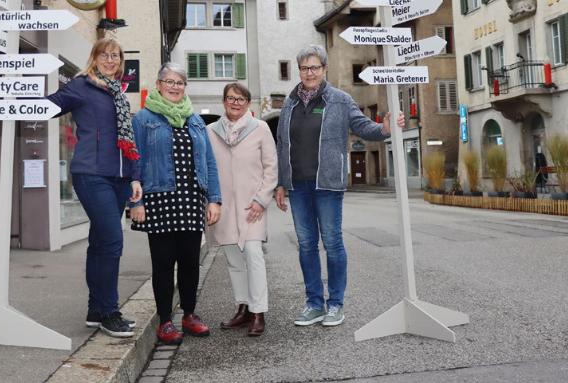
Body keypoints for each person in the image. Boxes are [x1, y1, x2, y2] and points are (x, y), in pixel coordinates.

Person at [275, 45, 405, 328]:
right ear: (299, 71)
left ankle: (335, 304)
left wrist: (384, 129)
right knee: (307, 244)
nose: (309, 73)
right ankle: (313, 304)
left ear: (324, 70)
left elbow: (363, 127)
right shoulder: (290, 104)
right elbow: (282, 144)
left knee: (332, 243)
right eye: (304, 68)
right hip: (297, 185)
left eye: (314, 67)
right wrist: (281, 183)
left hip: (328, 184)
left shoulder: (340, 100)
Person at [46, 38, 142, 338]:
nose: (110, 60)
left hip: (119, 178)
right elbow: (51, 105)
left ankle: (96, 309)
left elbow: (129, 141)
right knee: (113, 241)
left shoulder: (118, 93)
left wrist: (135, 178)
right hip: (92, 174)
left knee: (100, 243)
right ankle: (110, 312)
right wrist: (16, 98)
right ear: (94, 57)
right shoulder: (81, 86)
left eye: (116, 55)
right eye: (105, 55)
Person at [130, 63, 222, 345]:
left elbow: (209, 162)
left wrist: (214, 199)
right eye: (168, 81)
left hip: (192, 200)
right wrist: (136, 201)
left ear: (185, 87)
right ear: (158, 85)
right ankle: (165, 320)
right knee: (162, 264)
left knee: (190, 263)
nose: (174, 86)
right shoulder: (144, 118)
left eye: (179, 82)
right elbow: (134, 159)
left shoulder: (194, 120)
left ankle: (189, 314)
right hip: (159, 199)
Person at [206, 83, 277, 337]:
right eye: (231, 98)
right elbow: (206, 169)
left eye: (241, 99)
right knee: (234, 260)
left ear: (247, 103)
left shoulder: (260, 129)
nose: (235, 103)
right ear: (224, 101)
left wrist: (261, 200)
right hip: (224, 207)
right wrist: (210, 201)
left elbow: (271, 168)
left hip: (252, 206)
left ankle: (259, 312)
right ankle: (243, 307)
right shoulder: (211, 131)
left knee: (254, 255)